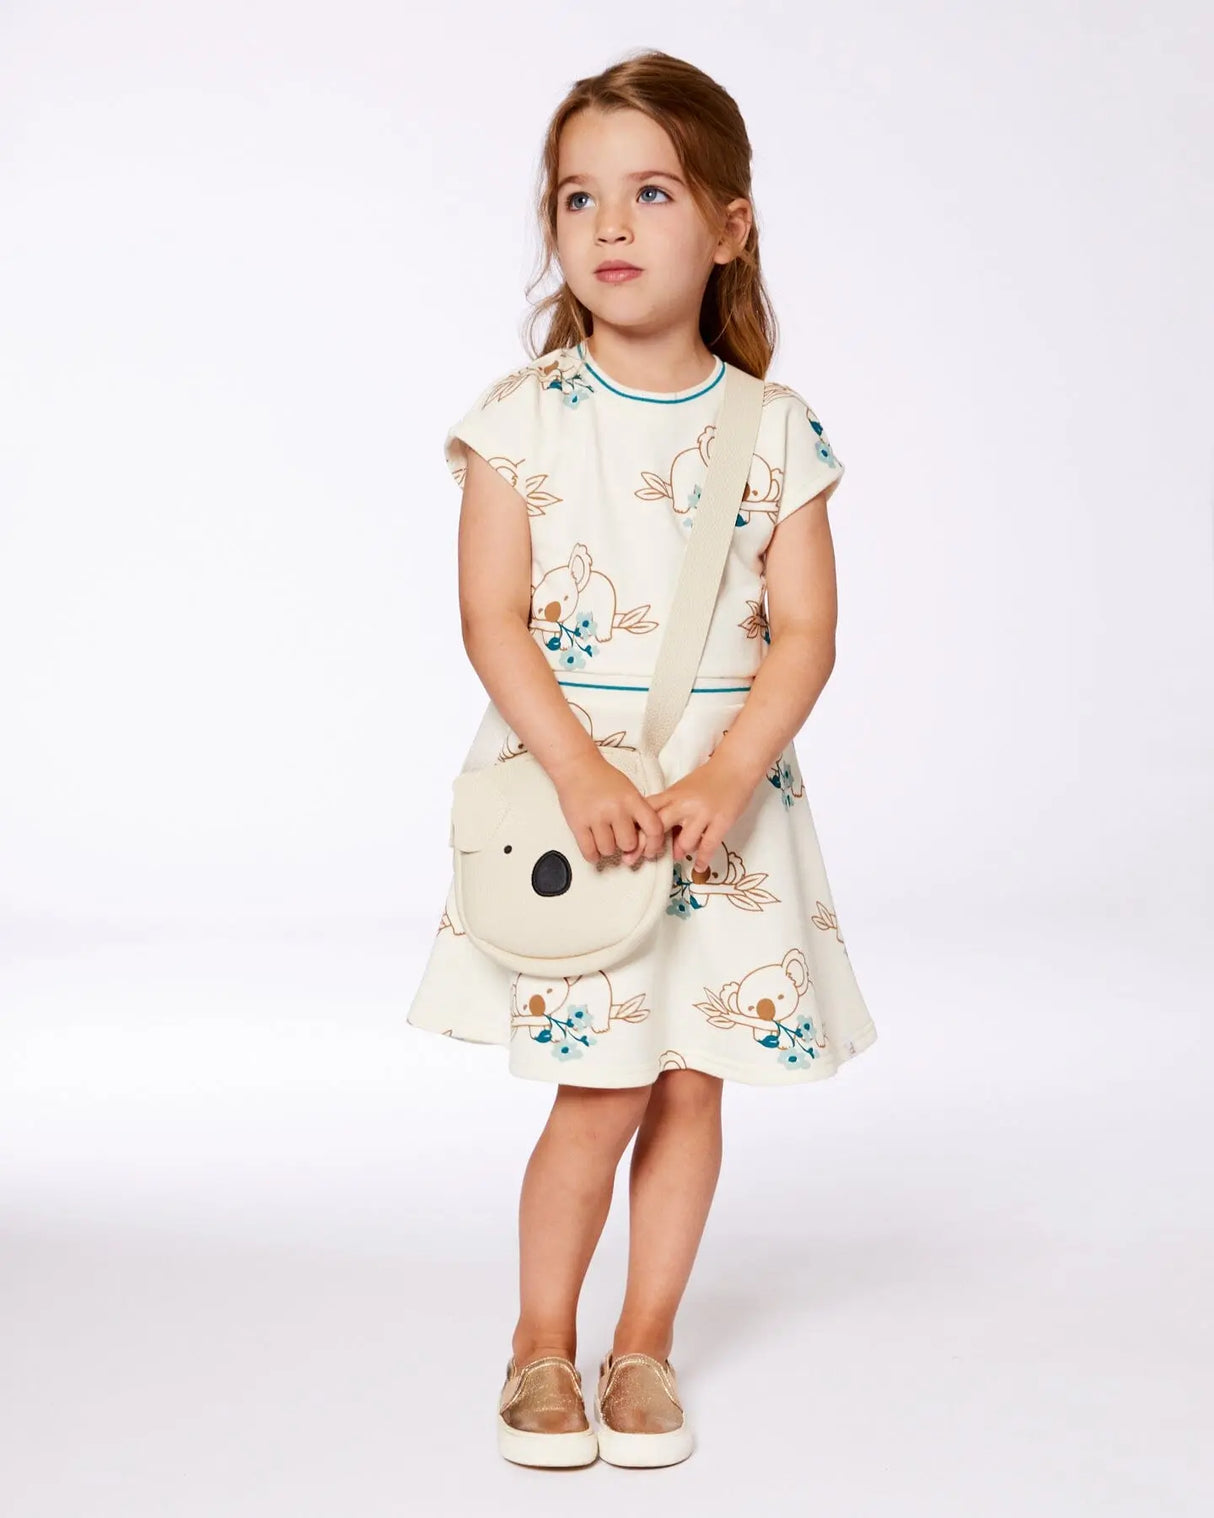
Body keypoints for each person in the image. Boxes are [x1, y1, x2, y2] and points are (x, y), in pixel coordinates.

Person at [406, 48, 877, 1469]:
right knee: (601, 1086)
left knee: (691, 1079)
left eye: (652, 192)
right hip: (578, 799)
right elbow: (491, 618)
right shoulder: (522, 418)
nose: (609, 225)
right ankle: (540, 1343)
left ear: (729, 224)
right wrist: (582, 772)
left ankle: (645, 1342)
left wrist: (727, 778)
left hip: (724, 806)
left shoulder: (775, 431)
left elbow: (805, 633)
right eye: (578, 197)